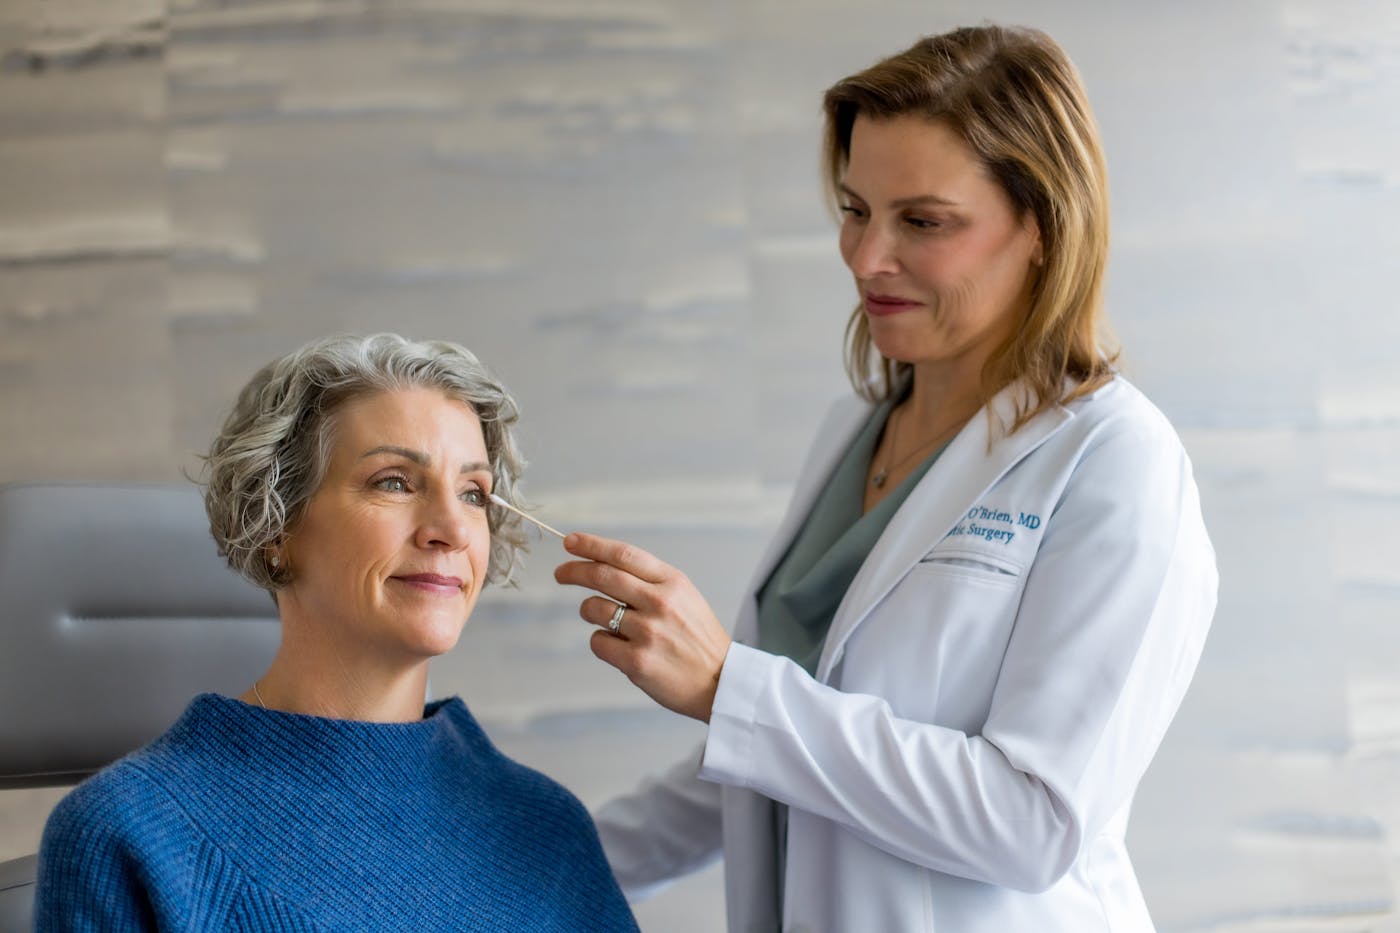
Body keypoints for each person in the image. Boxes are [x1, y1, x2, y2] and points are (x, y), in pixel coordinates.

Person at [553, 24, 1218, 932]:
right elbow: (772, 763)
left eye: (923, 221)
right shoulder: (851, 432)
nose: (867, 257)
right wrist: (528, 865)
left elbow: (1032, 820)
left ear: (1041, 225)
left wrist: (728, 688)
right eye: (856, 209)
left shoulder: (1115, 459)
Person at [36, 334, 638, 932]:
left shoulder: (548, 830)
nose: (452, 529)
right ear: (274, 524)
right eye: (394, 481)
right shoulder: (126, 836)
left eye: (473, 493)